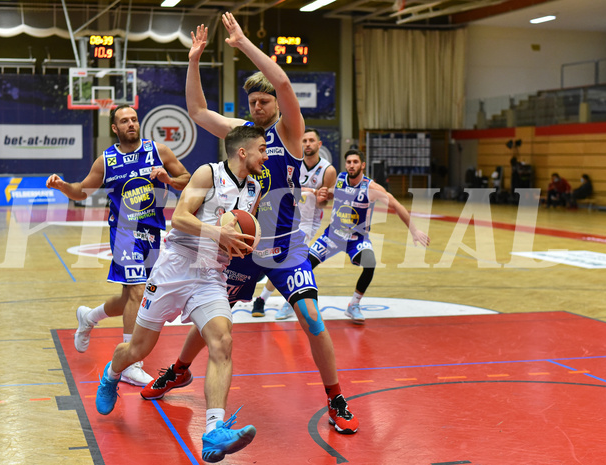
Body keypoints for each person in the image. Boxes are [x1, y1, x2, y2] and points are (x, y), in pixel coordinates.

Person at [140, 14, 360, 436]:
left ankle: (335, 397)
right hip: (242, 247)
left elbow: (284, 83)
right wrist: (193, 62)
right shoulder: (242, 136)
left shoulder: (291, 134)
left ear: (275, 106)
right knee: (211, 317)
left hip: (286, 247)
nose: (259, 108)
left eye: (264, 102)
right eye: (253, 103)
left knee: (313, 320)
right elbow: (198, 110)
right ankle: (180, 370)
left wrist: (241, 42)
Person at [95, 125, 267, 463]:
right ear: (243, 152)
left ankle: (214, 431)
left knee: (222, 341)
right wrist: (218, 232)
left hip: (209, 274)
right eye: (262, 149)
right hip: (174, 268)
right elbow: (180, 218)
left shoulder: (255, 189)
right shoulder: (209, 173)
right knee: (138, 348)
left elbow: (241, 232)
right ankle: (112, 374)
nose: (266, 155)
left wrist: (242, 246)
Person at [46, 105, 190, 386]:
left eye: (134, 119)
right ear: (115, 128)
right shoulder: (107, 160)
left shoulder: (158, 151)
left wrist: (168, 180)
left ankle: (89, 316)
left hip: (153, 231)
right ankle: (129, 363)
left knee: (131, 299)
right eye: (124, 121)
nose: (131, 124)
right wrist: (63, 185)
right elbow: (83, 190)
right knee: (138, 291)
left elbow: (187, 179)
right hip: (124, 232)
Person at [308, 149, 430, 324]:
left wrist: (414, 230)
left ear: (363, 165)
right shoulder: (341, 179)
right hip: (333, 235)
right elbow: (330, 195)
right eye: (349, 162)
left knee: (370, 263)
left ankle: (354, 304)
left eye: (355, 162)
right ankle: (296, 302)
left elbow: (395, 205)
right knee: (305, 265)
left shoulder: (371, 188)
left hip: (357, 238)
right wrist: (323, 195)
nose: (352, 165)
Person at [252, 127, 337, 319]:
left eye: (311, 141)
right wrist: (308, 191)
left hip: (307, 223)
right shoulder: (293, 161)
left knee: (285, 259)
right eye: (304, 141)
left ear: (319, 144)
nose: (307, 144)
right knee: (275, 257)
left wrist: (323, 197)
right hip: (285, 217)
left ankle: (265, 299)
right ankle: (261, 278)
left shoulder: (328, 170)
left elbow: (324, 204)